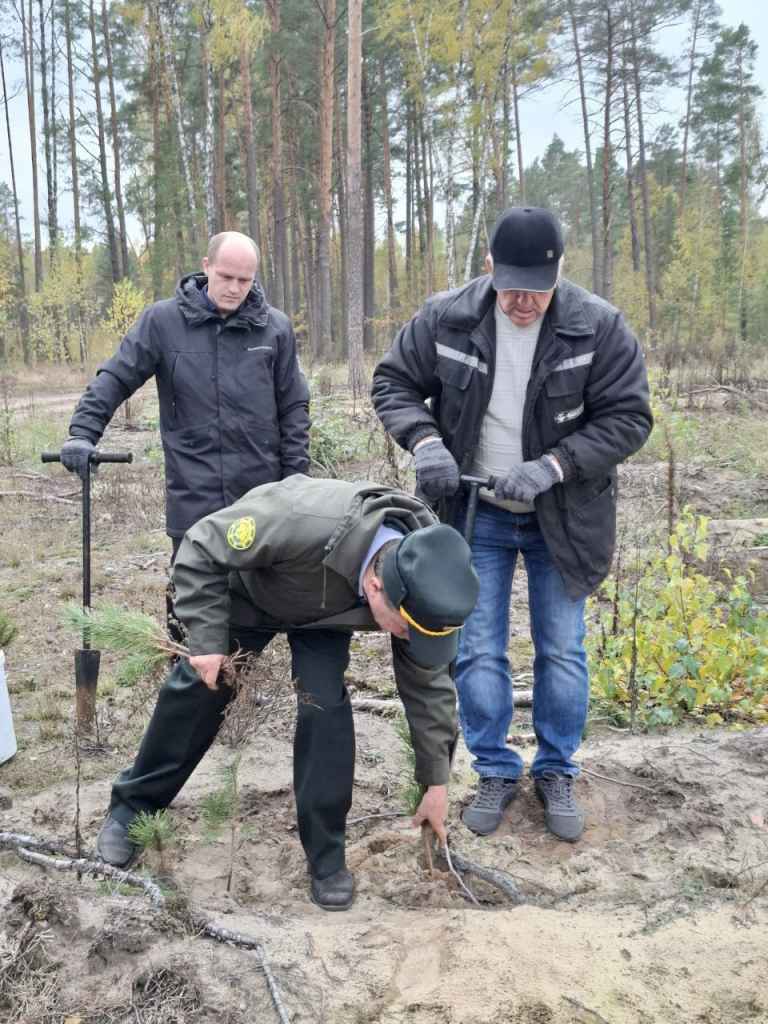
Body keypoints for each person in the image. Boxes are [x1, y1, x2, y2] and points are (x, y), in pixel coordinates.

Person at [371, 206, 652, 843]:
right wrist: (426, 443)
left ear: (559, 273)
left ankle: (556, 769)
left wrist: (553, 465)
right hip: (477, 514)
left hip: (564, 517)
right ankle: (495, 769)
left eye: (538, 288)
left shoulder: (598, 326)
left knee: (561, 650)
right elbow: (392, 383)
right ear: (489, 267)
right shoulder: (447, 317)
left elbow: (629, 418)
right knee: (476, 649)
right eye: (512, 286)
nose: (523, 302)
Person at [95, 474, 479, 911]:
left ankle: (327, 857)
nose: (408, 638)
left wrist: (436, 781)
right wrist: (205, 640)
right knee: (198, 691)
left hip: (326, 619)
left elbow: (430, 687)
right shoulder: (300, 519)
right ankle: (132, 808)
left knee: (325, 706)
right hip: (250, 593)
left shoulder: (423, 575)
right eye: (405, 629)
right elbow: (201, 544)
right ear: (376, 586)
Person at [59, 230, 310, 586]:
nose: (235, 288)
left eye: (245, 280)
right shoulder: (162, 322)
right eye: (226, 277)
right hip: (193, 491)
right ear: (206, 266)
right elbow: (116, 377)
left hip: (261, 493)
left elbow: (294, 409)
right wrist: (82, 433)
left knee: (261, 601)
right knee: (191, 599)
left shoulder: (275, 328)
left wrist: (296, 483)